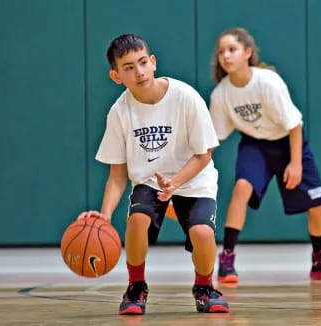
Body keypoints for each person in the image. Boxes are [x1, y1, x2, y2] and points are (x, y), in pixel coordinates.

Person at [78, 33, 229, 314]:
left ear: (153, 62)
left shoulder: (185, 97)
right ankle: (136, 287)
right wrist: (105, 216)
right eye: (129, 67)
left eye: (143, 62)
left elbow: (204, 154)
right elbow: (117, 175)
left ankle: (205, 287)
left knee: (202, 233)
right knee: (137, 220)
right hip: (150, 178)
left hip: (194, 177)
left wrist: (176, 182)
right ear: (116, 76)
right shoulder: (119, 112)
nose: (139, 72)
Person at [209, 27, 321, 283]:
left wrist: (295, 163)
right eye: (221, 52)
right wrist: (191, 171)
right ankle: (226, 259)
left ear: (247, 53)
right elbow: (213, 139)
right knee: (241, 188)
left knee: (317, 203)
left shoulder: (267, 82)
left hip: (288, 142)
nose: (225, 56)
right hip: (255, 145)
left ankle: (320, 259)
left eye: (232, 49)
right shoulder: (221, 94)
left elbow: (294, 125)